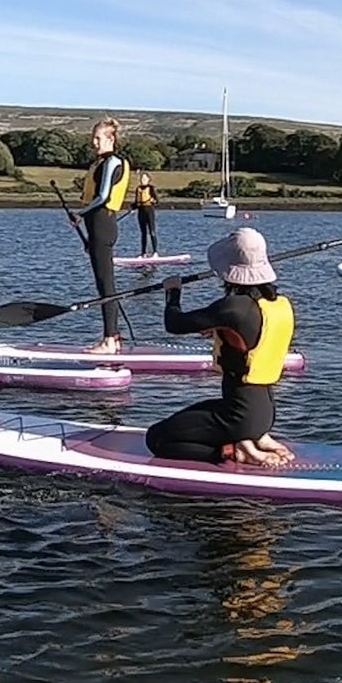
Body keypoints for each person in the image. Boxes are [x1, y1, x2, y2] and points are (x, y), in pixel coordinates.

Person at [145, 229, 295, 466]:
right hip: (265, 412)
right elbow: (250, 337)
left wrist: (172, 293)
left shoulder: (232, 308)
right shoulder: (277, 303)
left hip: (237, 415)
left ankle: (234, 451)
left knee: (156, 438)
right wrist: (219, 330)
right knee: (191, 416)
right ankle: (254, 438)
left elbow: (174, 324)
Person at [68, 116, 131, 352]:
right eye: (93, 138)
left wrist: (80, 214)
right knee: (103, 283)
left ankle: (110, 339)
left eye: (98, 138)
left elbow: (103, 196)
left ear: (111, 139)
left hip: (103, 224)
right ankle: (111, 337)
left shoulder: (113, 162)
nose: (94, 142)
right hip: (96, 225)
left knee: (106, 285)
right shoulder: (101, 163)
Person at [132, 170, 160, 257]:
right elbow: (136, 202)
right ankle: (143, 253)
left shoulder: (151, 188)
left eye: (144, 178)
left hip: (149, 211)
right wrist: (133, 207)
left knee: (152, 231)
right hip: (141, 212)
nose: (142, 180)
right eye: (141, 178)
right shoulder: (138, 189)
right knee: (143, 233)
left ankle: (155, 252)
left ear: (148, 179)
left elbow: (157, 201)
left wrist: (153, 201)